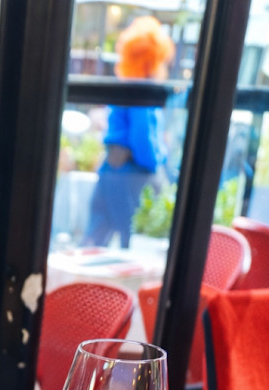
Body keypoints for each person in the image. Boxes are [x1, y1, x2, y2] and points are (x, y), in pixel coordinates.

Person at [83, 16, 175, 248]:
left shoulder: (127, 85)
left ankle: (77, 285)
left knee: (95, 239)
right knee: (129, 242)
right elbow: (142, 141)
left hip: (110, 170)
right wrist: (158, 161)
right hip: (130, 175)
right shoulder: (142, 91)